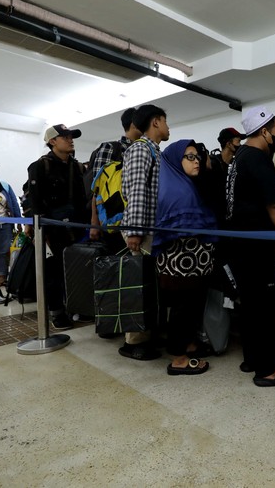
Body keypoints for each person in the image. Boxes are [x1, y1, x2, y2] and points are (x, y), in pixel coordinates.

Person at [225, 105, 275, 387]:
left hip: (239, 242)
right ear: (264, 131)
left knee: (249, 304)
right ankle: (268, 369)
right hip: (256, 246)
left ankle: (252, 358)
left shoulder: (238, 158)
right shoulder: (258, 158)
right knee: (263, 307)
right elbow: (274, 204)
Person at [154, 140, 218, 376]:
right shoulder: (178, 192)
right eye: (189, 157)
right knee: (183, 309)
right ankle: (178, 359)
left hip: (191, 265)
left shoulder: (185, 185)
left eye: (197, 156)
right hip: (181, 266)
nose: (196, 161)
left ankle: (188, 345)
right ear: (175, 161)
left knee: (190, 307)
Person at [118, 104, 169, 360]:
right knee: (138, 286)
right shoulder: (140, 149)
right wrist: (135, 232)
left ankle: (147, 333)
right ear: (156, 122)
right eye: (166, 121)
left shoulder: (154, 150)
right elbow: (137, 191)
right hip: (142, 229)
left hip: (151, 229)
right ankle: (134, 341)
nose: (168, 127)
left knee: (149, 286)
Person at [27, 124, 88, 331]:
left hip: (76, 227)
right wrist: (40, 231)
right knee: (53, 272)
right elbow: (35, 201)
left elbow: (82, 198)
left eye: (72, 137)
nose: (71, 140)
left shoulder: (77, 167)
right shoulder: (40, 166)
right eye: (65, 137)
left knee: (75, 268)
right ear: (52, 141)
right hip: (51, 229)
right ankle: (56, 312)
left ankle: (77, 306)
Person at [88, 107, 142, 252]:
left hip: (134, 218)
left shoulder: (142, 150)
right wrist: (94, 223)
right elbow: (97, 187)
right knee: (116, 261)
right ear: (133, 124)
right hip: (112, 219)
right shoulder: (111, 148)